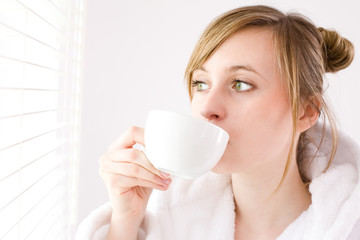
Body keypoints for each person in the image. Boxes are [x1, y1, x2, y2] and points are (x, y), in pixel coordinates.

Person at [75, 5, 360, 240]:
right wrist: (125, 220)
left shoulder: (347, 227)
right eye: (201, 83)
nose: (207, 108)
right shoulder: (168, 216)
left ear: (305, 111)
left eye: (240, 84)